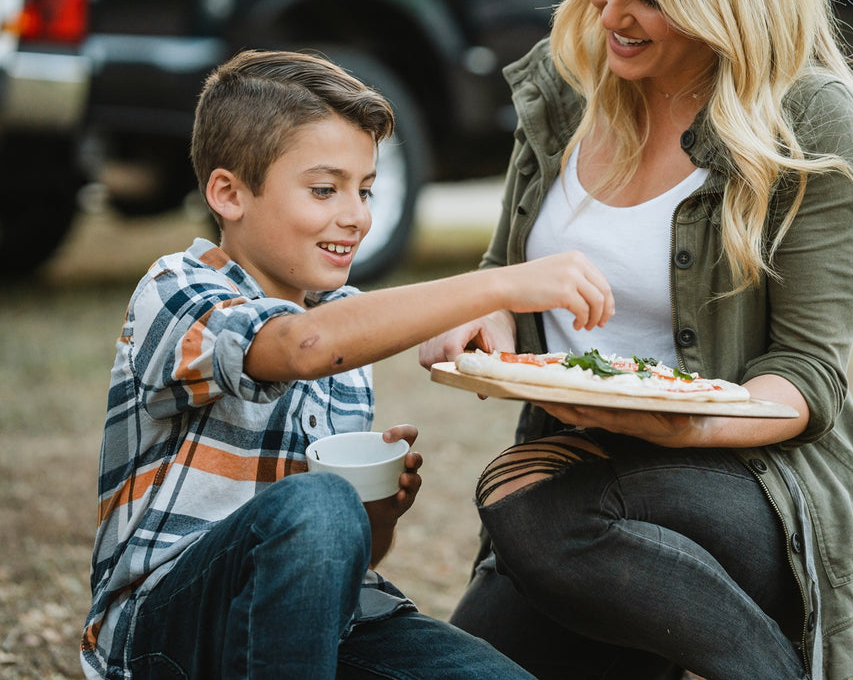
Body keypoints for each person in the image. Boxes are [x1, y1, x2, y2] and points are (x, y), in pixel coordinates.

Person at [418, 0, 853, 680]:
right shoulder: (566, 78)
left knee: (532, 508)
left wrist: (675, 420)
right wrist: (488, 329)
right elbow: (506, 278)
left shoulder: (813, 118)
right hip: (568, 477)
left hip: (746, 483)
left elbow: (805, 377)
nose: (609, 13)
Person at [81, 49, 614, 680]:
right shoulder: (177, 290)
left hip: (321, 628)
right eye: (324, 189)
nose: (356, 215)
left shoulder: (344, 325)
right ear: (227, 193)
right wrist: (499, 285)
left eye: (365, 190)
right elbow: (298, 347)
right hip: (169, 633)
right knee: (320, 503)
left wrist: (377, 513)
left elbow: (342, 553)